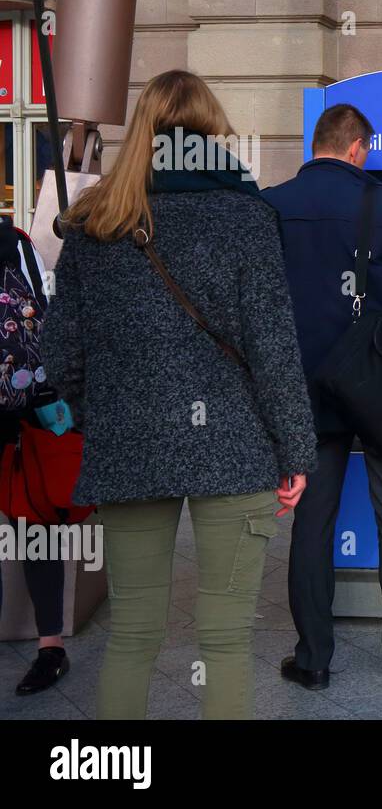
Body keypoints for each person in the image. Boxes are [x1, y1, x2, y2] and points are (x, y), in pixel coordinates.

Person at [41, 70, 317, 719]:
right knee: (224, 640)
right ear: (212, 133)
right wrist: (296, 452)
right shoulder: (248, 217)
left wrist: (99, 415)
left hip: (130, 447)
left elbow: (61, 357)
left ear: (142, 133)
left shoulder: (93, 225)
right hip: (234, 445)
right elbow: (274, 350)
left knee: (133, 637)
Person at [264, 104, 382, 689]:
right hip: (377, 384)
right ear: (358, 148)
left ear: (316, 144)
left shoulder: (271, 205)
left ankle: (314, 659)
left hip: (302, 389)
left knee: (312, 521)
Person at [0, 218, 71, 696]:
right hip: (17, 405)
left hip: (16, 414)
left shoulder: (14, 242)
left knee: (35, 523)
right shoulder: (15, 242)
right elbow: (42, 315)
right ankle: (51, 647)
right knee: (35, 525)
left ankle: (51, 646)